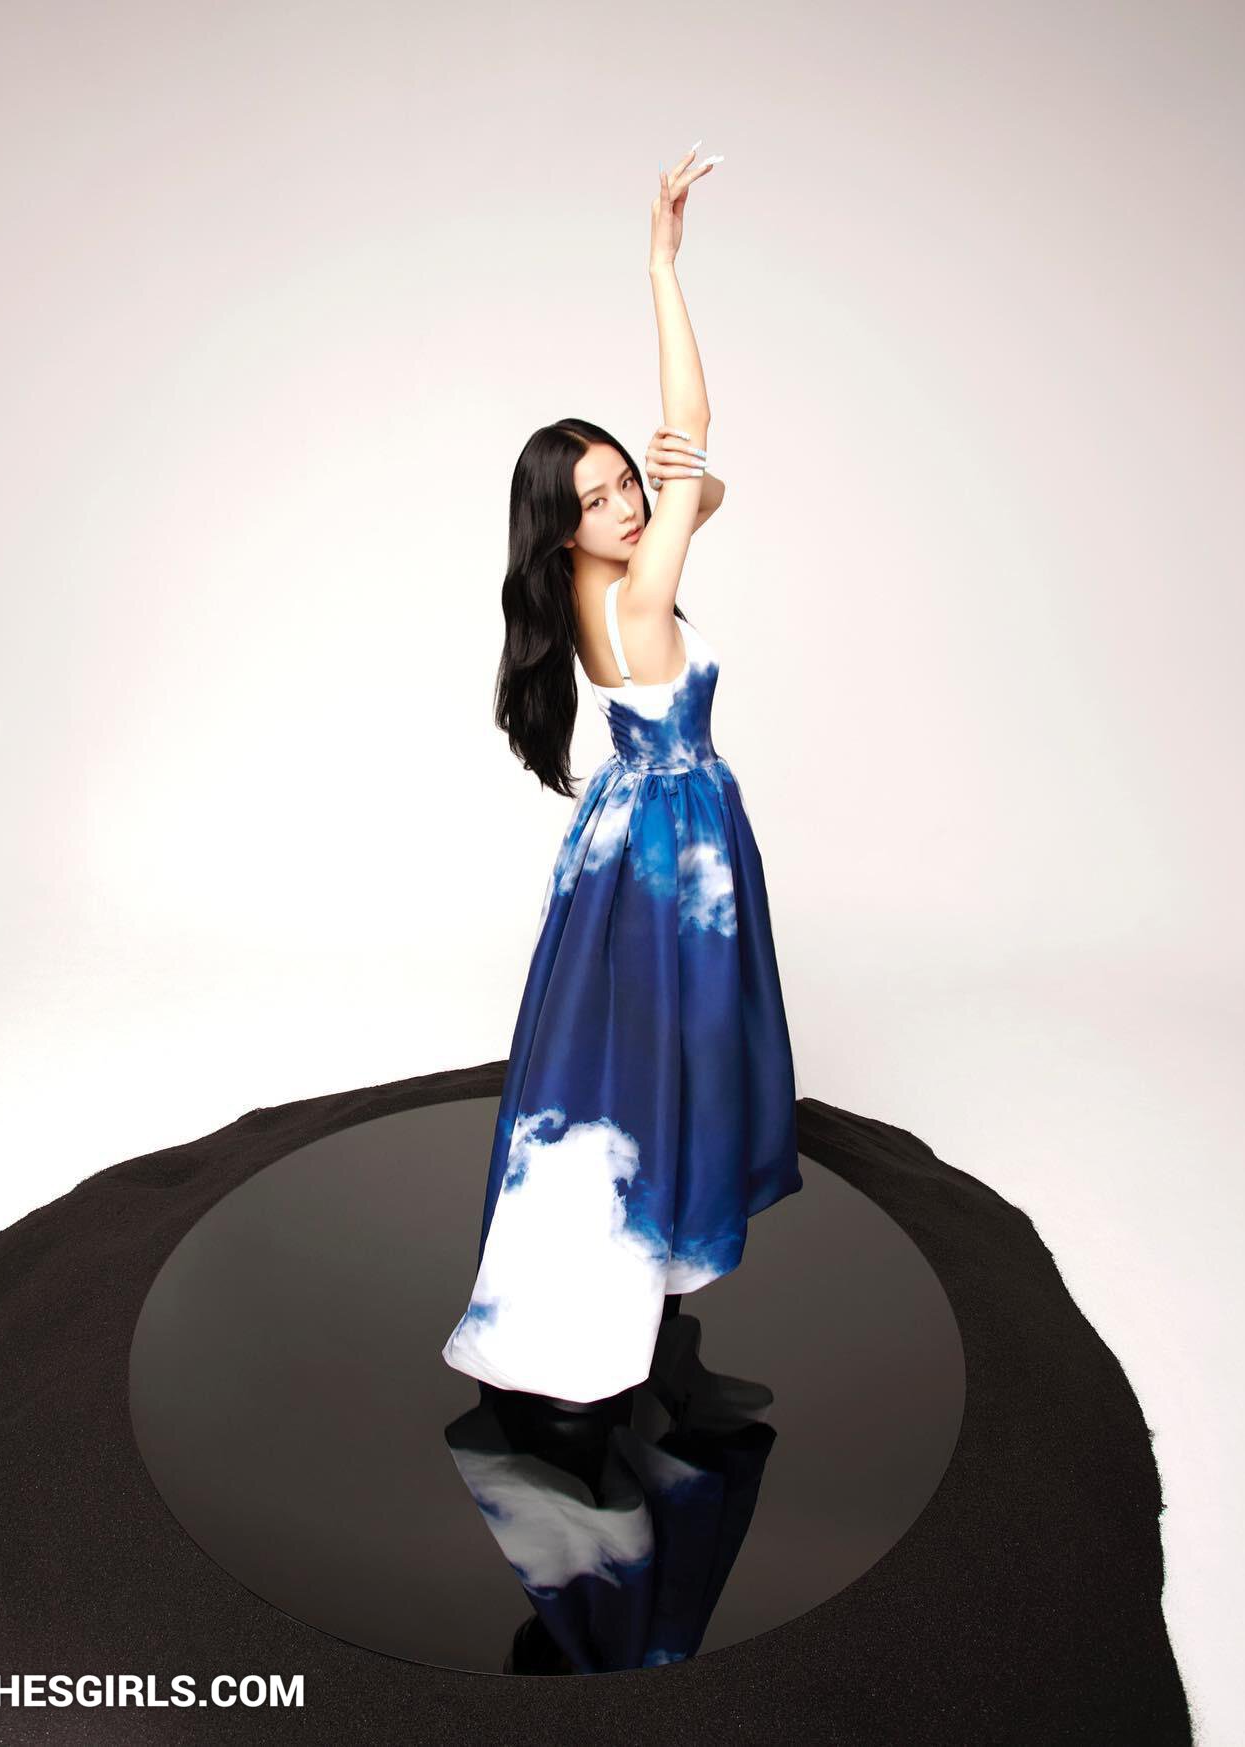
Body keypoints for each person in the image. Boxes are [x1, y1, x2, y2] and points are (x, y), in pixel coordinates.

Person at [441, 142, 803, 1409]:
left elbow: (704, 482)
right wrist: (661, 266)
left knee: (650, 1046)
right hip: (671, 844)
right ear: (564, 530)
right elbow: (698, 438)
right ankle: (637, 1257)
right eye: (598, 499)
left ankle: (650, 1244)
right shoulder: (638, 598)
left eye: (623, 483)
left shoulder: (605, 589)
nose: (628, 504)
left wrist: (684, 490)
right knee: (674, 1045)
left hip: (638, 826)